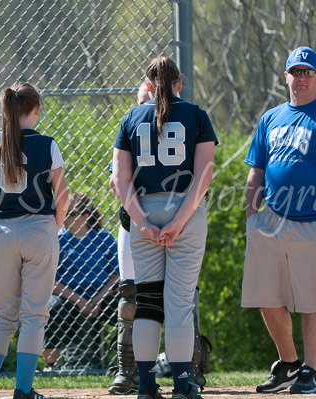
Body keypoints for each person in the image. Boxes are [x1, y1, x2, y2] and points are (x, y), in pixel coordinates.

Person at [241, 46, 316, 394]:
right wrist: (251, 215)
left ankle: (310, 370)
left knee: (313, 299)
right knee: (266, 295)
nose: (301, 77)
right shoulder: (270, 118)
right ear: (286, 76)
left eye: (308, 72)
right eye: (295, 71)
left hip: (312, 221)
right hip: (270, 220)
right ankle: (288, 363)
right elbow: (256, 171)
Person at [111, 56, 217, 399]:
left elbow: (119, 179)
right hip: (184, 211)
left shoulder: (131, 117)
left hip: (144, 212)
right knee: (179, 303)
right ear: (178, 83)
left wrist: (142, 222)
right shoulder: (196, 115)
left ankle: (145, 386)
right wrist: (178, 221)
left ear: (147, 84)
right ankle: (183, 387)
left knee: (147, 304)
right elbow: (203, 177)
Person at [0, 82, 69, 399]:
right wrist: (50, 228)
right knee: (34, 315)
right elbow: (63, 198)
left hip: (2, 230)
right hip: (40, 228)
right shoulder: (47, 143)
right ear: (36, 110)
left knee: (3, 313)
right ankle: (23, 390)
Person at [43, 193, 120, 370]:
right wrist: (80, 301)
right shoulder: (57, 239)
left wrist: (98, 299)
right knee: (53, 309)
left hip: (101, 295)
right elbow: (51, 281)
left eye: (71, 213)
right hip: (68, 296)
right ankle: (50, 366)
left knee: (127, 308)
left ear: (86, 216)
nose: (65, 218)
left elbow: (116, 276)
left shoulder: (103, 238)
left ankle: (126, 363)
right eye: (62, 213)